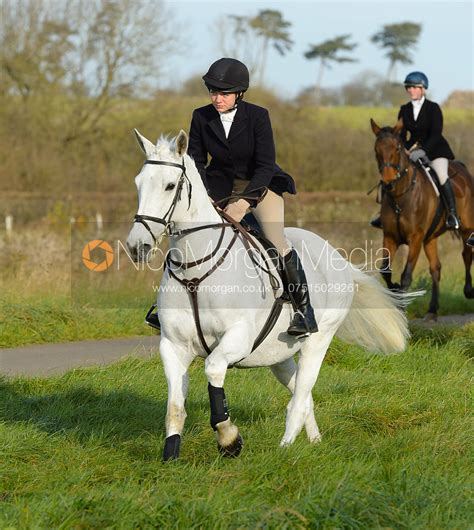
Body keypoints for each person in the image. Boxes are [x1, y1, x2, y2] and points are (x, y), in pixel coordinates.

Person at [187, 57, 318, 337]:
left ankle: (303, 312)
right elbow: (195, 160)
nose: (216, 98)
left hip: (261, 185)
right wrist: (205, 196)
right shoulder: (201, 116)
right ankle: (170, 308)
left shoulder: (258, 116)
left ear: (239, 94)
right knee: (187, 234)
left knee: (276, 241)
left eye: (223, 93)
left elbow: (265, 164)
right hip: (218, 187)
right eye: (213, 91)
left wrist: (245, 201)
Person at [371, 71, 461, 230]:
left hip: (436, 150)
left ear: (423, 89)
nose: (411, 90)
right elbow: (401, 135)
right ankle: (382, 214)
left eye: (415, 87)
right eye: (409, 88)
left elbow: (436, 133)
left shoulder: (433, 108)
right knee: (392, 175)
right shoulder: (404, 109)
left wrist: (424, 150)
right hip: (412, 150)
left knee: (441, 175)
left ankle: (452, 215)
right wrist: (403, 149)